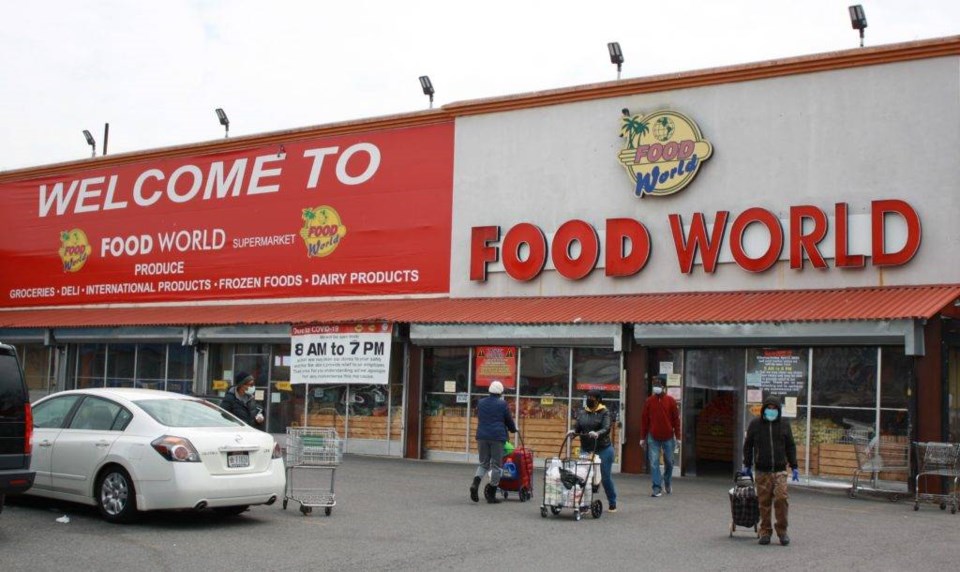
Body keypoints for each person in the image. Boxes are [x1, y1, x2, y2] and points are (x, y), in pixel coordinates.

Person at [742, 396, 799, 546]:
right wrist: (747, 464)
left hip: (780, 470)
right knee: (764, 503)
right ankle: (765, 532)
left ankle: (782, 531)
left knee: (781, 499)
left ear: (779, 410)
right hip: (762, 470)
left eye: (774, 409)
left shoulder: (784, 425)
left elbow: (790, 446)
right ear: (764, 409)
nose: (771, 411)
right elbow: (748, 446)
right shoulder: (755, 424)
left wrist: (794, 465)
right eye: (769, 408)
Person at [469, 380, 518, 504]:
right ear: (500, 392)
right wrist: (513, 429)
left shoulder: (481, 403)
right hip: (497, 437)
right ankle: (491, 493)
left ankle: (475, 484)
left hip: (482, 436)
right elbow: (508, 420)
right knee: (496, 465)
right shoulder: (503, 404)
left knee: (483, 463)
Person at [571, 389, 618, 512]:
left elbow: (607, 428)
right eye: (588, 397)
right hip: (586, 448)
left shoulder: (604, 412)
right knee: (583, 476)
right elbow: (578, 427)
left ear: (598, 400)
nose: (589, 400)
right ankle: (585, 504)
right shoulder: (583, 412)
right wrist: (573, 433)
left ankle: (612, 502)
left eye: (592, 398)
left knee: (605, 476)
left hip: (603, 449)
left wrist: (598, 433)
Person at [640, 378, 681, 497]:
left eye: (658, 385)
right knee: (654, 462)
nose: (655, 387)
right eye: (654, 385)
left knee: (669, 462)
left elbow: (676, 420)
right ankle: (656, 487)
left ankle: (667, 481)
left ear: (664, 387)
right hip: (653, 437)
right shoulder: (649, 401)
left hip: (668, 436)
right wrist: (642, 437)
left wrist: (678, 437)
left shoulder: (671, 401)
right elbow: (644, 420)